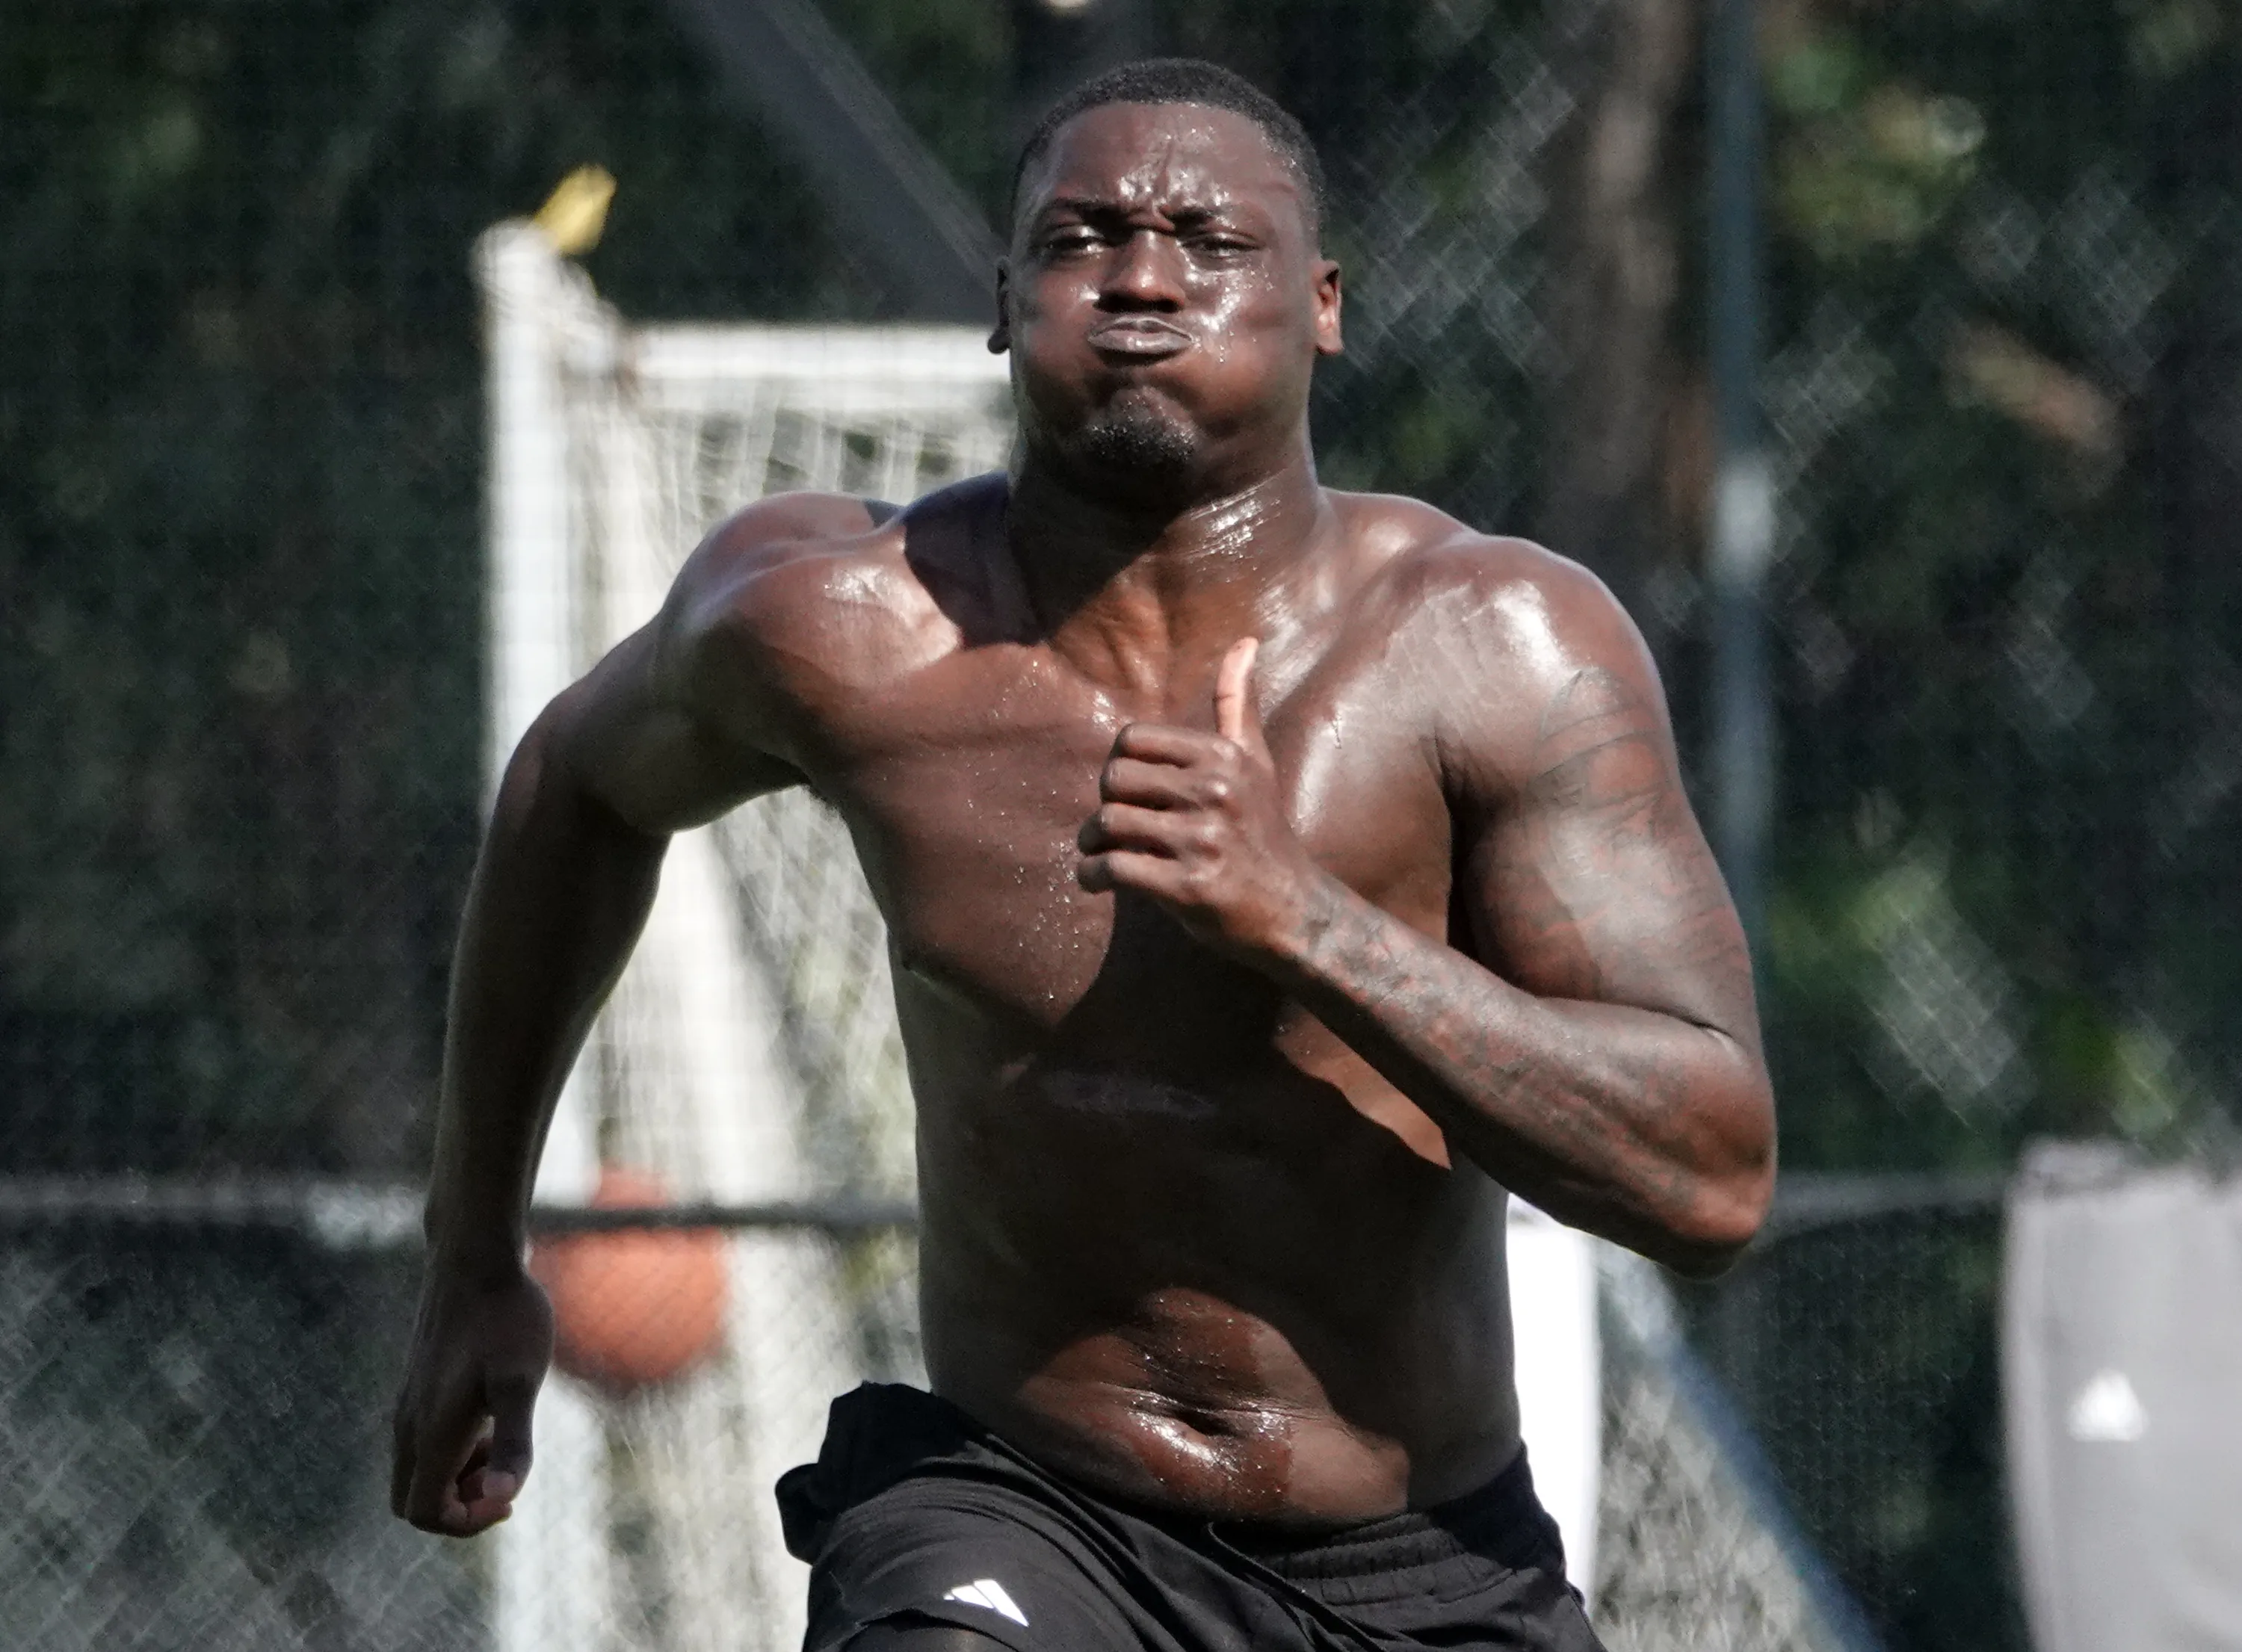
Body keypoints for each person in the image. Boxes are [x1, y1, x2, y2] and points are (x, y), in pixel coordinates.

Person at [391, 56, 1775, 1652]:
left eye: (1209, 239)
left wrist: (1309, 921)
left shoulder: (1495, 647)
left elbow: (1713, 1174)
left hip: (1424, 1567)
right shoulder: (844, 625)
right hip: (1024, 1508)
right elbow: (575, 779)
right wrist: (472, 1252)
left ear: (1321, 304)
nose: (1140, 278)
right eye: (1082, 238)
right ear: (1000, 303)